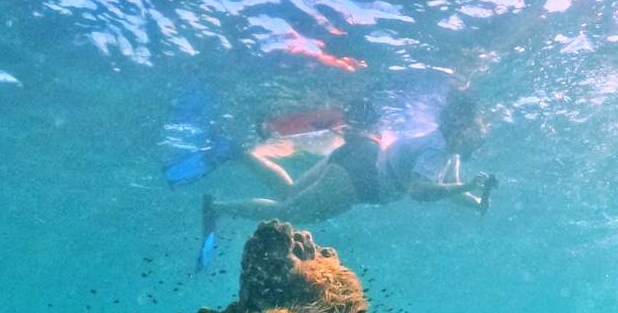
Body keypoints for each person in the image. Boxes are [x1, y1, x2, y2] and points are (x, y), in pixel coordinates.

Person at [202, 88, 497, 233]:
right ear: (462, 128)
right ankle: (217, 208)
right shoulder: (437, 150)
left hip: (361, 154)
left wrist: (477, 201)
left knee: (289, 194)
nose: (481, 137)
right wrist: (466, 187)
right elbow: (421, 192)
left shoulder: (446, 146)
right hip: (363, 179)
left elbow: (449, 186)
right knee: (289, 212)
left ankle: (238, 153)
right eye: (478, 130)